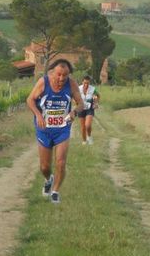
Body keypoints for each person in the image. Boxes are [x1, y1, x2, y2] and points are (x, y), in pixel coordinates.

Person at [26, 59, 84, 204]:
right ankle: (48, 179)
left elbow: (81, 104)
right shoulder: (43, 82)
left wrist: (74, 112)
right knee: (45, 167)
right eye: (59, 74)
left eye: (65, 75)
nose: (61, 78)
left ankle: (55, 191)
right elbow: (30, 100)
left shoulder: (71, 84)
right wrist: (38, 115)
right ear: (52, 72)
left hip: (62, 129)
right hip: (44, 129)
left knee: (61, 162)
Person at [77, 75, 100, 145]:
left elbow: (97, 96)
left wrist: (96, 103)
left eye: (87, 83)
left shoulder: (92, 89)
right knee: (83, 127)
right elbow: (74, 97)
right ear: (82, 82)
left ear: (89, 83)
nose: (86, 85)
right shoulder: (78, 89)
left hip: (89, 108)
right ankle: (84, 141)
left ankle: (89, 137)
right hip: (81, 108)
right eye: (84, 83)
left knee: (88, 125)